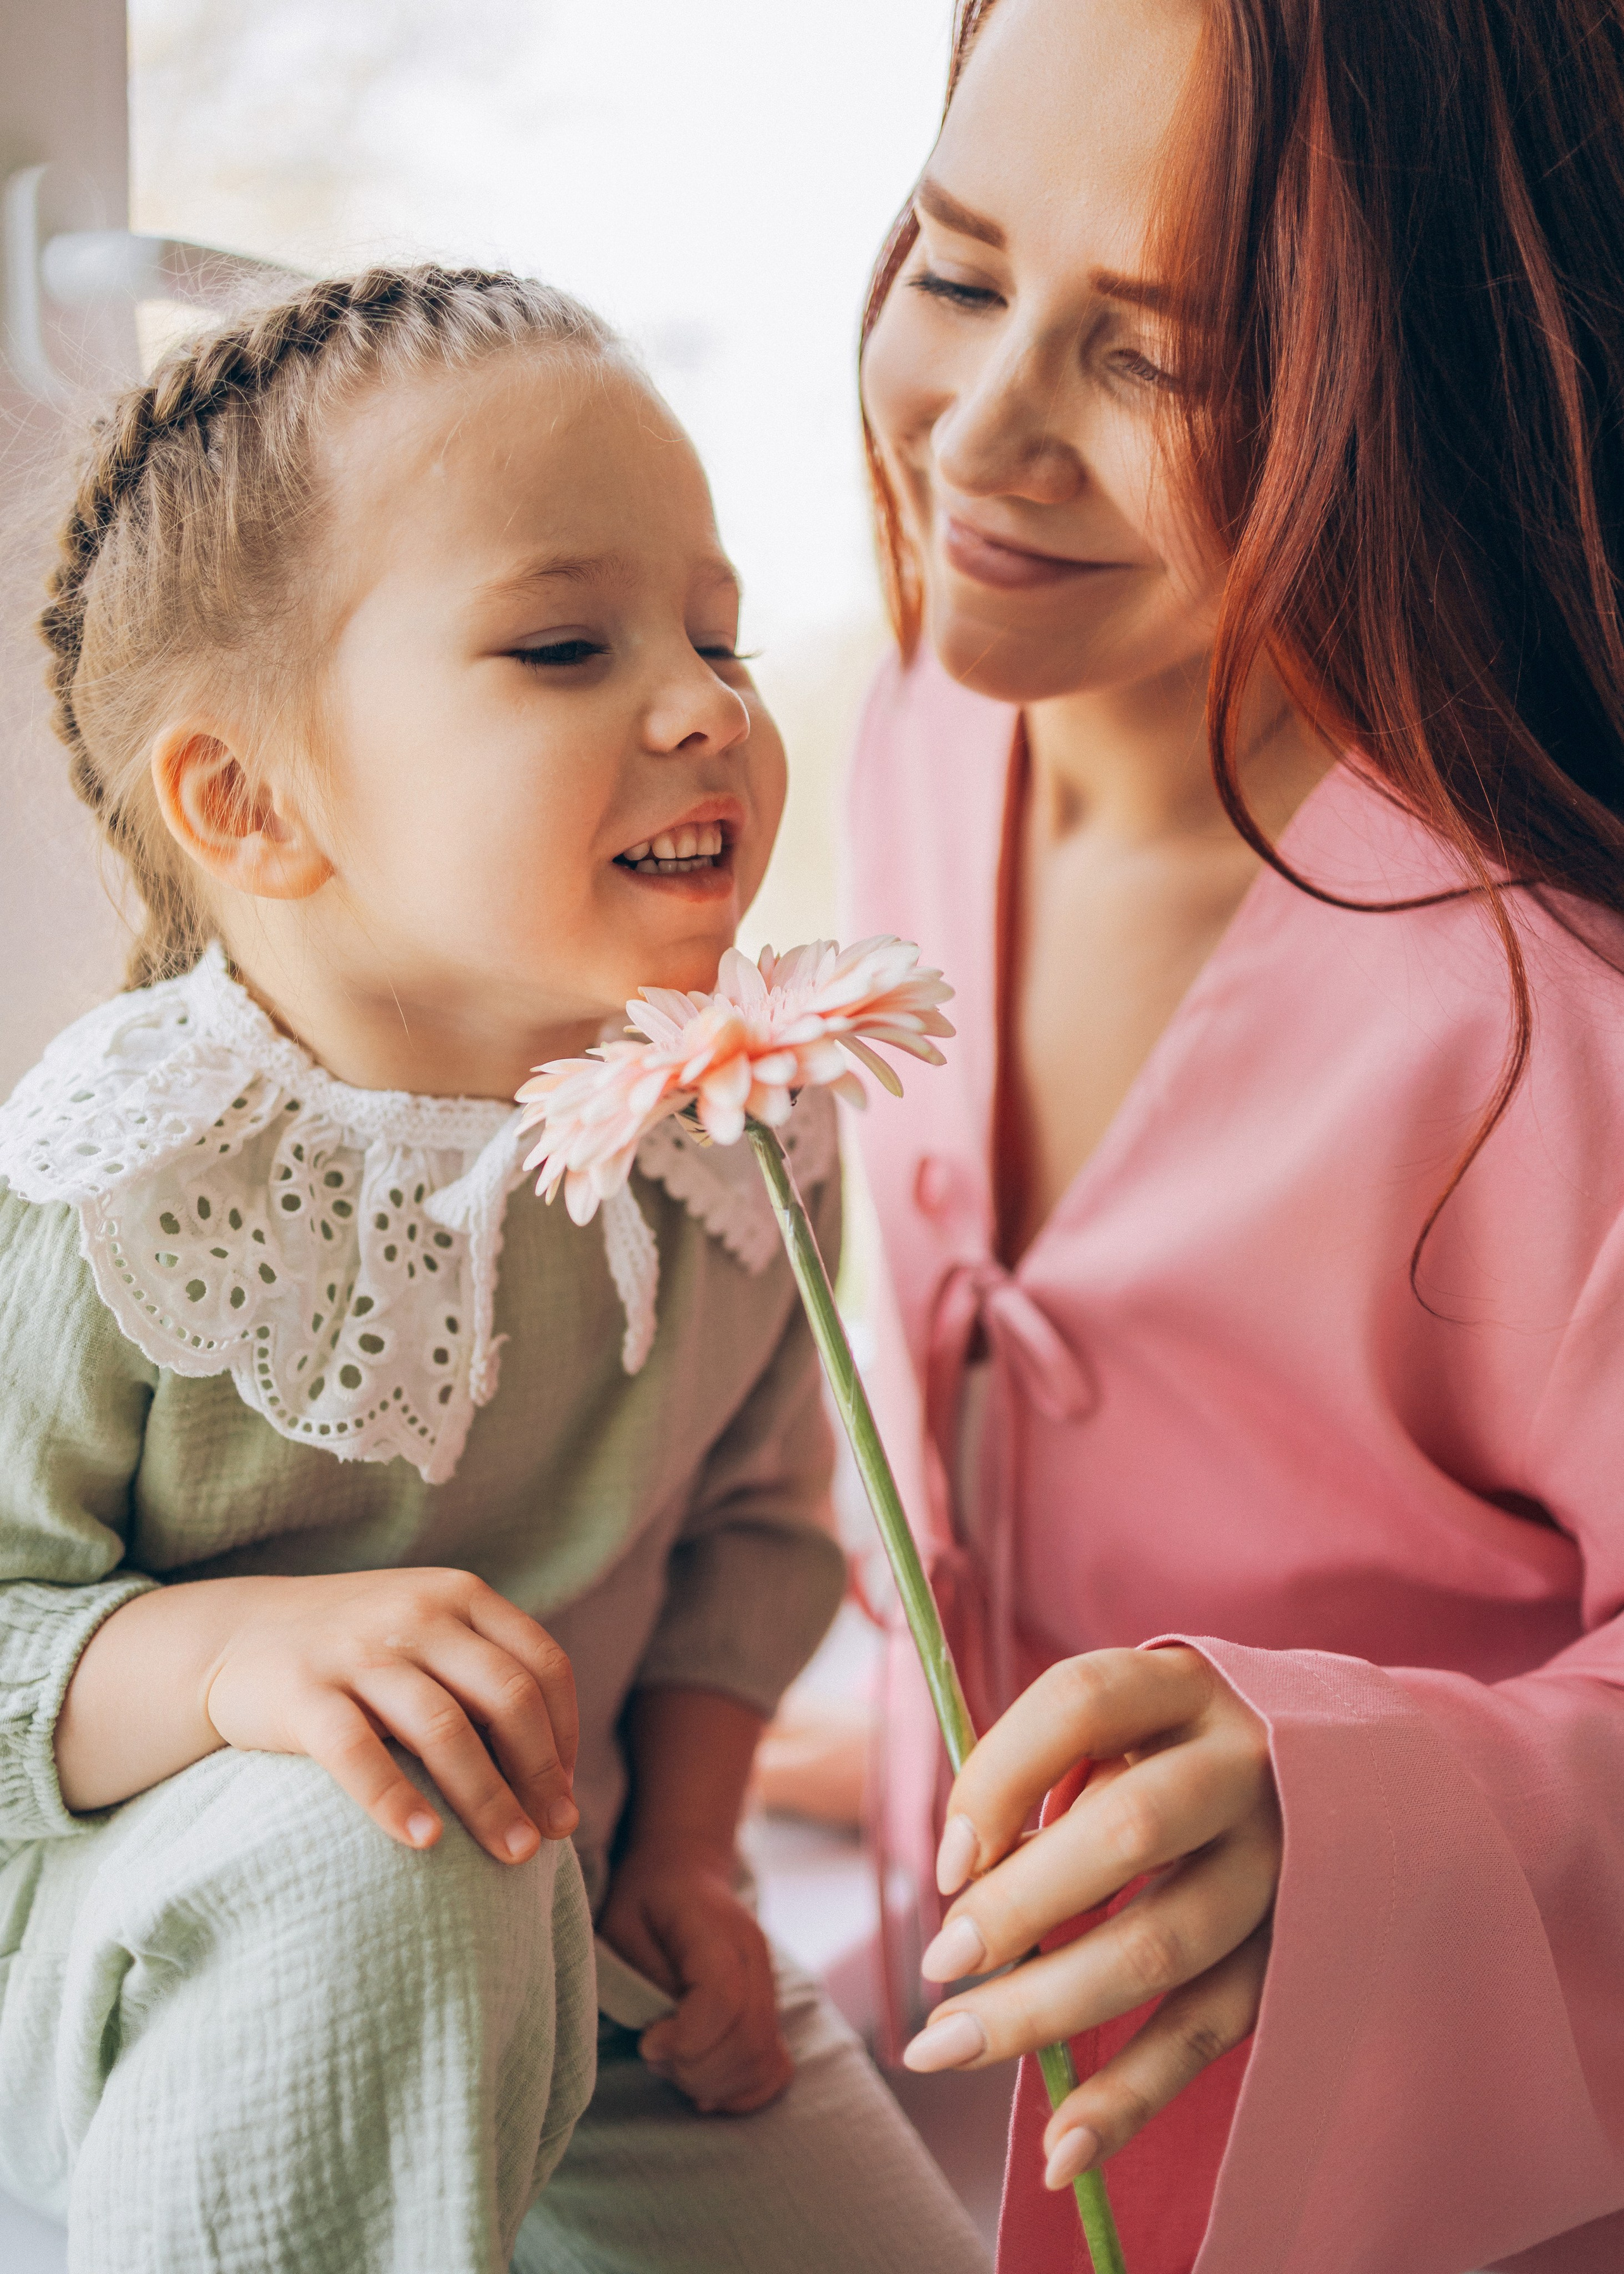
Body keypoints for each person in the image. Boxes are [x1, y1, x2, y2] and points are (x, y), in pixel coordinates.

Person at [0, 265, 988, 2274]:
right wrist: (225, 1666)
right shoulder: (131, 1175)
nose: (710, 698)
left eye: (715, 631)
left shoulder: (739, 1131)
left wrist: (695, 1850)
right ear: (251, 804)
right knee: (397, 1849)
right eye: (563, 644)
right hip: (136, 1956)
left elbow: (751, 1533)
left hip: (582, 1917)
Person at [845, 0, 1624, 2268]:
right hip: (952, 2086)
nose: (980, 439)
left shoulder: (1536, 1010)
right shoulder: (923, 723)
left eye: (1162, 363)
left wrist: (1340, 1809)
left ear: (1444, 390)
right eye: (960, 270)